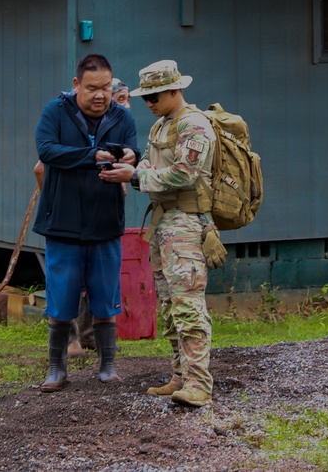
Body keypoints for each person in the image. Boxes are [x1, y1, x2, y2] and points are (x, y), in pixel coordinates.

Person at [99, 59, 217, 408]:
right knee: (168, 303)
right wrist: (136, 169)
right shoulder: (160, 127)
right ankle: (180, 375)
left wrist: (134, 177)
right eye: (145, 98)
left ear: (175, 90)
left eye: (155, 96)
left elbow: (184, 174)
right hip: (164, 222)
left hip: (187, 221)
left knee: (188, 304)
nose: (148, 103)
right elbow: (150, 163)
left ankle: (199, 383)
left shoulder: (194, 125)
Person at [32, 53, 139, 392]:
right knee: (61, 298)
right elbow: (47, 150)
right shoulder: (55, 112)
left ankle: (108, 367)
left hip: (106, 222)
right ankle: (56, 369)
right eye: (92, 88)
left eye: (106, 88)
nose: (100, 95)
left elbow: (134, 151)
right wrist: (91, 156)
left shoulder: (122, 117)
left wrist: (130, 158)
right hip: (62, 222)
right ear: (76, 84)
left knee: (106, 297)